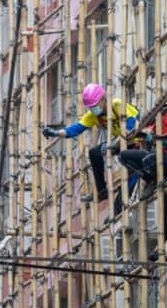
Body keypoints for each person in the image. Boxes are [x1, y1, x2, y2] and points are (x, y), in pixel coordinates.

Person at [41, 83, 140, 213]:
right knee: (94, 153)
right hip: (119, 142)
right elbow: (74, 129)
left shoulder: (116, 105)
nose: (94, 109)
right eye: (92, 107)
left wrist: (115, 143)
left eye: (96, 105)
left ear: (103, 99)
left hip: (136, 141)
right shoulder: (93, 116)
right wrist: (55, 133)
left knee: (130, 177)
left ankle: (118, 210)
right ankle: (102, 191)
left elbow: (132, 125)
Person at [117, 105, 167, 241]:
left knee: (149, 159)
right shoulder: (157, 123)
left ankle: (153, 177)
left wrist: (148, 135)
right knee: (124, 156)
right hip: (161, 163)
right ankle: (152, 179)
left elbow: (163, 142)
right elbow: (148, 136)